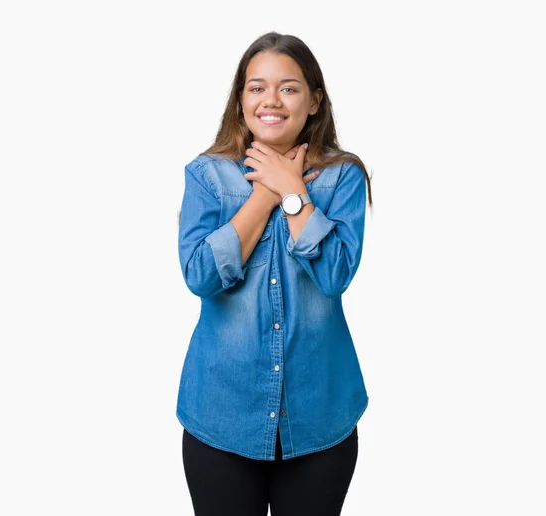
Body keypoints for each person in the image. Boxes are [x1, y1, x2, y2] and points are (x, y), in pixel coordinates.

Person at [176, 31, 373, 516]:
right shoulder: (206, 175)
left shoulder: (342, 176)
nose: (271, 100)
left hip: (319, 417)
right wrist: (266, 195)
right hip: (222, 416)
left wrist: (294, 193)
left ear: (313, 101)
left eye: (289, 87)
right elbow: (200, 275)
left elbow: (335, 275)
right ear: (240, 100)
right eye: (256, 87)